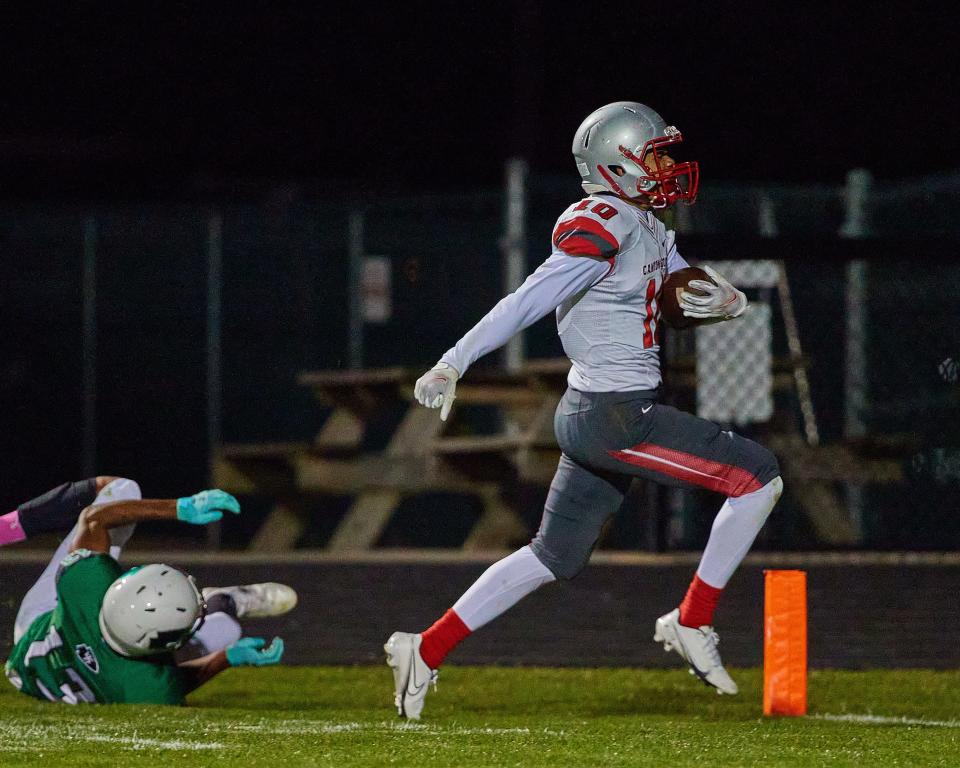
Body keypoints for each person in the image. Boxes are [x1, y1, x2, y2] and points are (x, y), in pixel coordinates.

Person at [385, 101, 783, 719]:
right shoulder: (602, 222)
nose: (667, 167)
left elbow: (683, 284)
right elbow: (530, 298)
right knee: (757, 477)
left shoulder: (643, 223)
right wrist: (454, 360)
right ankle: (691, 618)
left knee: (552, 557)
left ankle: (425, 649)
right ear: (616, 165)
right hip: (613, 416)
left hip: (594, 410)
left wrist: (726, 300)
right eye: (655, 155)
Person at [1, 476, 297, 704]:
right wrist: (228, 657)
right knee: (221, 631)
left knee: (120, 491)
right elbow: (178, 680)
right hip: (69, 638)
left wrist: (180, 508)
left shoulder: (84, 583)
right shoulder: (144, 685)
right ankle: (222, 602)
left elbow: (94, 518)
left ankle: (216, 609)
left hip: (39, 630)